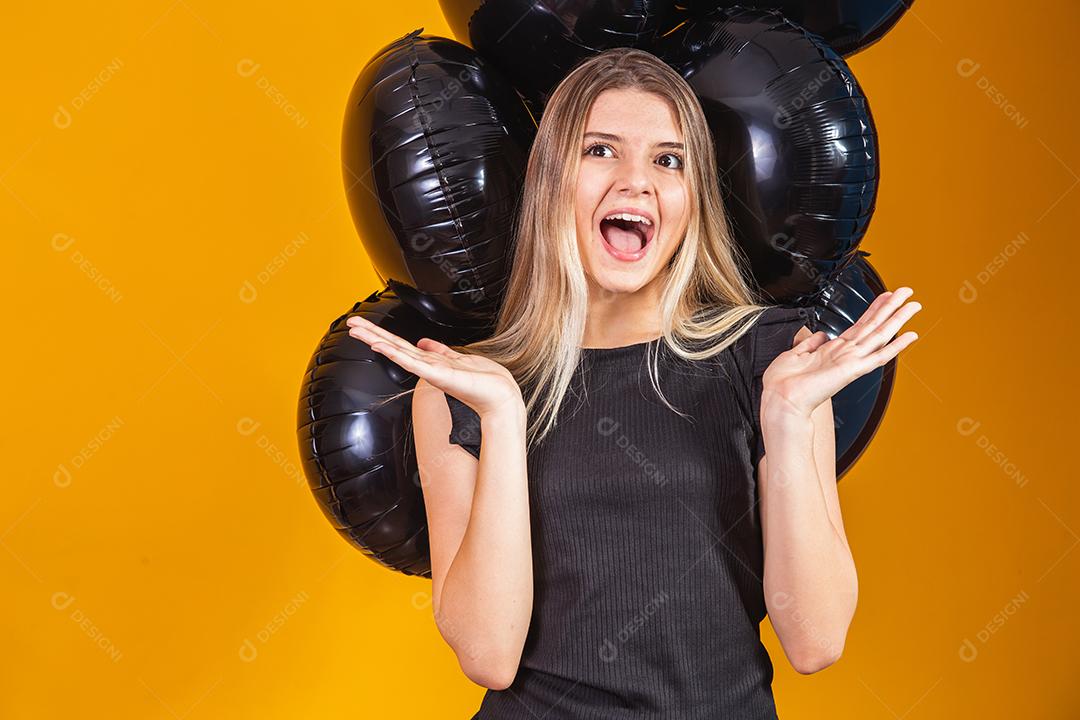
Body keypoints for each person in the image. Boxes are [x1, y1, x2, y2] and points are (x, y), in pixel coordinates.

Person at [346, 47, 920, 719]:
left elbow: (816, 640)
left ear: (692, 197)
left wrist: (789, 420)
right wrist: (504, 417)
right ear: (551, 179)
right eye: (600, 151)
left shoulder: (773, 362)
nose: (637, 182)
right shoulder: (465, 389)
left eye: (668, 160)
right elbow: (489, 654)